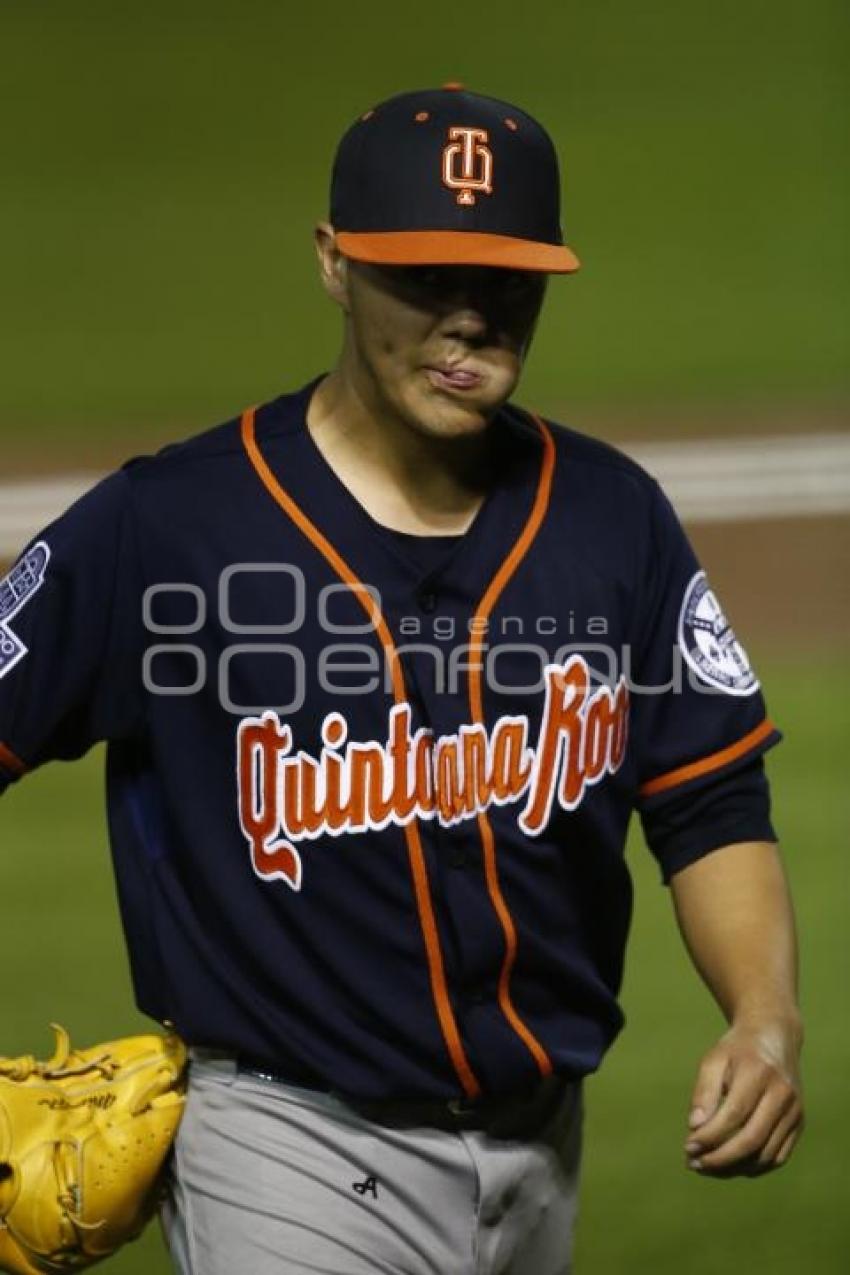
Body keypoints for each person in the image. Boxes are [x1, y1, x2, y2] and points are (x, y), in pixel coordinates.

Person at [0, 85, 803, 1275]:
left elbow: (708, 797)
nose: (469, 320)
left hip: (542, 1153)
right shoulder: (170, 528)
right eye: (424, 278)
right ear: (334, 263)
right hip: (286, 1152)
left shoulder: (611, 518)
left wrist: (764, 1016)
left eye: (507, 282)